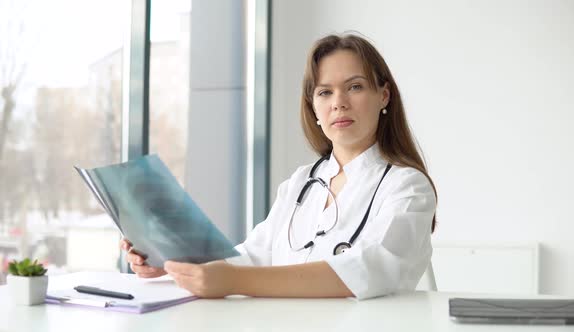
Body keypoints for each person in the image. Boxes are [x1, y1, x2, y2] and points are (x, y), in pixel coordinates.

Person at [120, 33, 437, 300]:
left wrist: (231, 281)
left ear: (384, 95)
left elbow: (368, 269)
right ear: (313, 107)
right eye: (325, 92)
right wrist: (174, 262)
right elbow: (255, 255)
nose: (338, 102)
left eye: (355, 86)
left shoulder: (407, 187)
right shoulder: (301, 183)